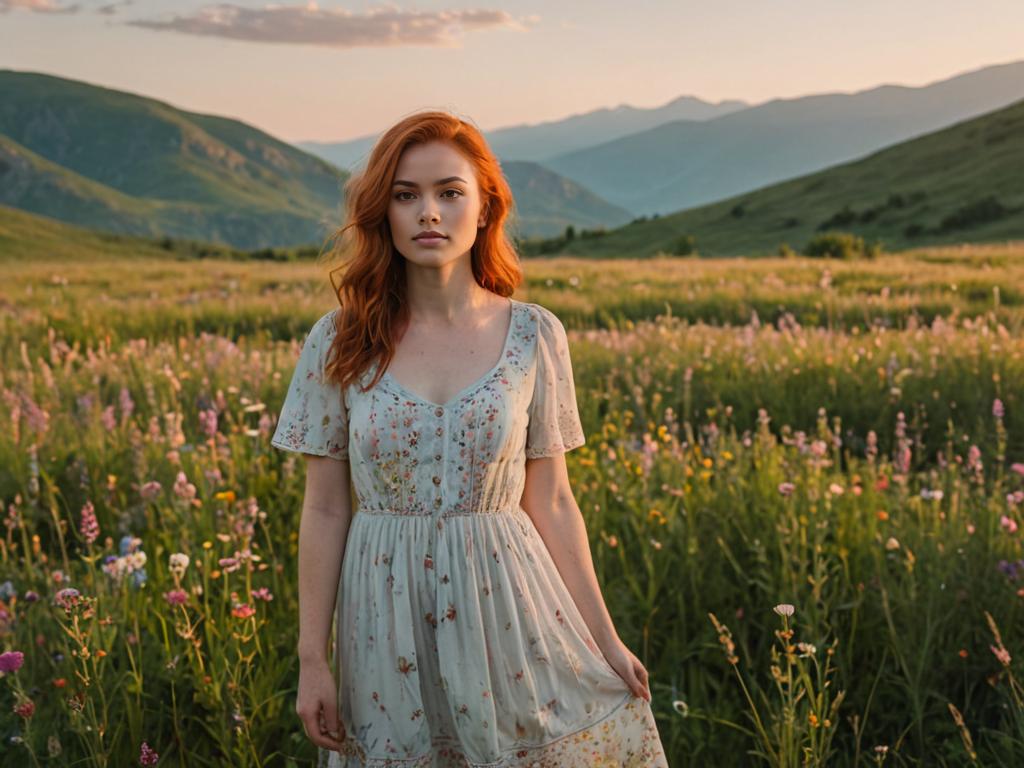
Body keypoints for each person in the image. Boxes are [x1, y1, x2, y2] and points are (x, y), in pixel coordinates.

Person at [271, 109, 668, 767]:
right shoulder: (337, 340)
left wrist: (606, 638)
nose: (429, 212)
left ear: (484, 208)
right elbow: (325, 507)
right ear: (384, 212)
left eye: (449, 192)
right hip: (382, 611)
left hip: (508, 601)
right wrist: (313, 659)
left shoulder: (535, 335)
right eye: (406, 195)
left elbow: (554, 503)